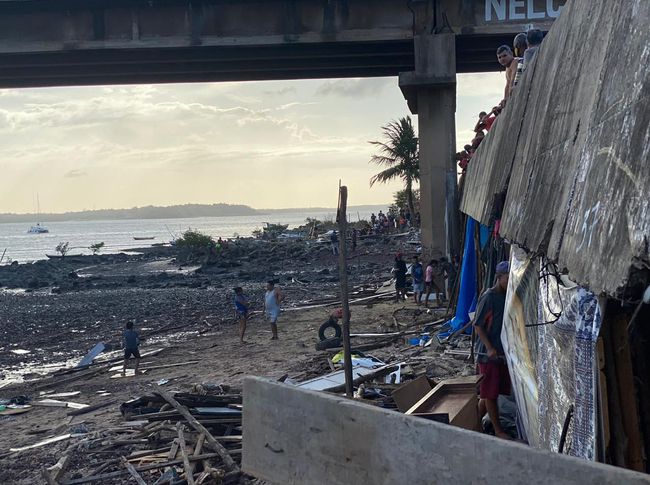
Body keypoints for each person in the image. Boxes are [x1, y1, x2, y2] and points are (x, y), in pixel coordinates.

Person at [473, 261, 511, 439]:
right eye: (507, 278)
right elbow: (478, 325)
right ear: (499, 277)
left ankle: (472, 423)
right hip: (488, 355)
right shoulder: (489, 297)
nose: (510, 282)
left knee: (488, 392)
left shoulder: (507, 296)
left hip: (501, 352)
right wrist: (489, 348)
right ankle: (498, 430)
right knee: (490, 394)